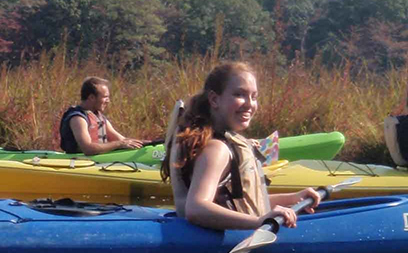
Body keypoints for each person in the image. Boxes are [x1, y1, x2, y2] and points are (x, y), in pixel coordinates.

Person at [167, 62, 322, 231]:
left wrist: (293, 198)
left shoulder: (219, 141)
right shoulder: (216, 150)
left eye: (254, 97)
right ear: (214, 99)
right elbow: (196, 208)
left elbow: (241, 203)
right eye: (239, 95)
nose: (250, 104)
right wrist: (258, 223)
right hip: (210, 245)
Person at [58, 77, 144, 155]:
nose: (108, 101)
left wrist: (150, 143)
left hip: (97, 162)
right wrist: (119, 144)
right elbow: (88, 149)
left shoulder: (99, 117)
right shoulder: (78, 119)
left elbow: (122, 140)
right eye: (105, 97)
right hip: (77, 163)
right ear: (92, 97)